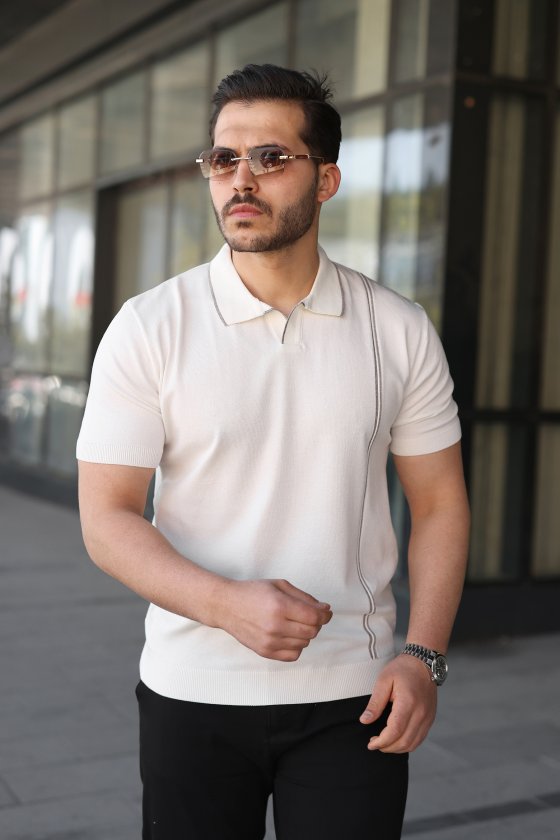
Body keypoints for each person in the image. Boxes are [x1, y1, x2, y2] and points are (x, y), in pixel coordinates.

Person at [77, 64, 470, 840]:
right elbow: (106, 519)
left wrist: (423, 657)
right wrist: (225, 604)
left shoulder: (397, 328)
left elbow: (440, 503)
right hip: (192, 690)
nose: (241, 179)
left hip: (355, 695)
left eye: (271, 157)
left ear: (326, 180)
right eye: (224, 159)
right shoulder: (149, 327)